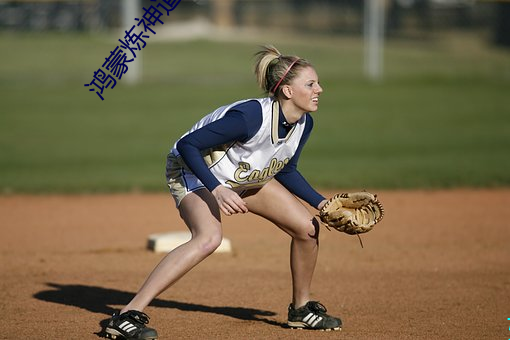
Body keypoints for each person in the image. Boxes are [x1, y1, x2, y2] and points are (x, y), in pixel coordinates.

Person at [105, 45, 342, 340]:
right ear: (288, 92)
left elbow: (286, 169)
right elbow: (187, 146)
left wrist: (323, 204)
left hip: (241, 177)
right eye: (310, 84)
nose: (320, 88)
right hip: (193, 172)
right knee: (209, 238)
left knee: (307, 228)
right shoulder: (249, 117)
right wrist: (216, 189)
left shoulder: (303, 123)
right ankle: (126, 315)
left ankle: (302, 309)